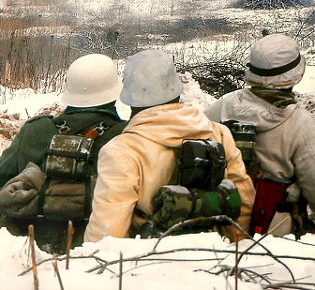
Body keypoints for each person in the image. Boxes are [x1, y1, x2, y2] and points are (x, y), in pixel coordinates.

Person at [85, 49, 255, 242]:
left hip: (147, 263)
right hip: (213, 255)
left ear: (129, 95)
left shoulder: (121, 150)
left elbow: (108, 232)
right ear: (175, 88)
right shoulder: (219, 134)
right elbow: (243, 204)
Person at [205, 34, 315, 235]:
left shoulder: (217, 109)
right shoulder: (301, 123)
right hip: (272, 232)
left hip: (216, 226)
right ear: (295, 76)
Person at [0, 54, 127, 250]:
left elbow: (3, 176)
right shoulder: (124, 136)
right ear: (114, 92)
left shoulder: (35, 130)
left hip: (32, 250)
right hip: (97, 251)